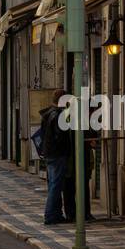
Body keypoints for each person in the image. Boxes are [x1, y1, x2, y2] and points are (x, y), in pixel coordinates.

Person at [39, 90, 72, 225]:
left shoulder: (47, 114)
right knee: (55, 186)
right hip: (57, 154)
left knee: (53, 184)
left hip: (49, 153)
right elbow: (60, 136)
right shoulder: (59, 115)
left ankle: (56, 214)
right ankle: (51, 215)